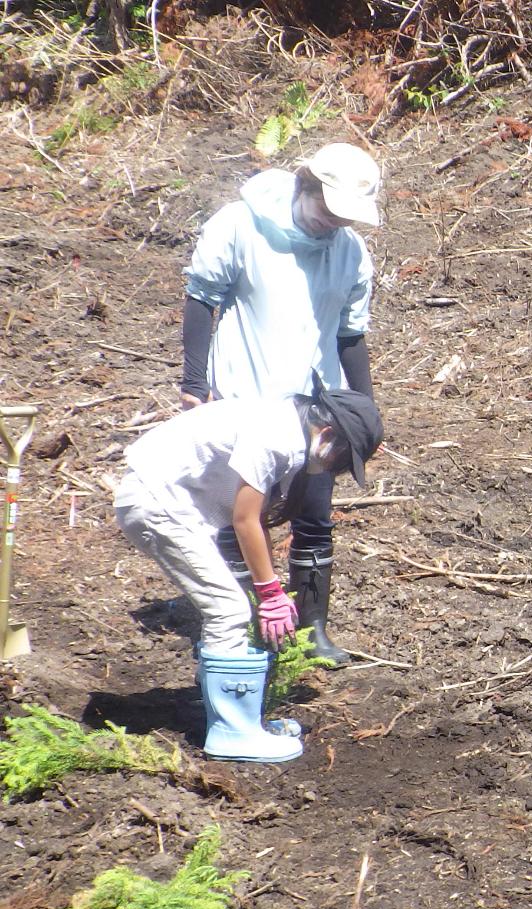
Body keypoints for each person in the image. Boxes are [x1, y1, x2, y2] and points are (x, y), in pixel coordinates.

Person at [181, 141, 382, 667]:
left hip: (317, 409)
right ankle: (247, 625)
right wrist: (193, 383)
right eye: (327, 209)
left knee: (314, 515)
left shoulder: (351, 252)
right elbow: (203, 299)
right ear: (305, 186)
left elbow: (350, 334)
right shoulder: (240, 226)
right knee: (236, 516)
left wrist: (365, 408)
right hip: (246, 398)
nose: (332, 223)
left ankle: (312, 630)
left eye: (344, 217)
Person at [115, 388, 383, 763]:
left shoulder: (285, 425)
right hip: (155, 504)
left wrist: (270, 586)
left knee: (232, 608)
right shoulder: (277, 438)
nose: (334, 467)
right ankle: (231, 733)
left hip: (167, 503)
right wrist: (270, 594)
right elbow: (243, 521)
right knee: (228, 610)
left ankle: (242, 719)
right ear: (327, 433)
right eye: (341, 457)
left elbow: (257, 520)